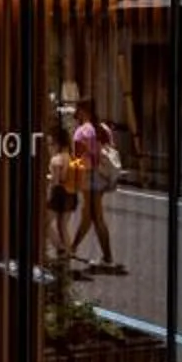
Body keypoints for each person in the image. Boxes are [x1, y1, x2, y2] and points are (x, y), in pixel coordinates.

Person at [69, 98, 120, 272]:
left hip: (90, 176)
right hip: (102, 176)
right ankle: (72, 248)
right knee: (89, 214)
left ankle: (107, 258)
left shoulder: (82, 131)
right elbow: (110, 148)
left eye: (78, 109)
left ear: (83, 111)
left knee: (95, 216)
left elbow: (78, 159)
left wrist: (71, 174)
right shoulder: (103, 128)